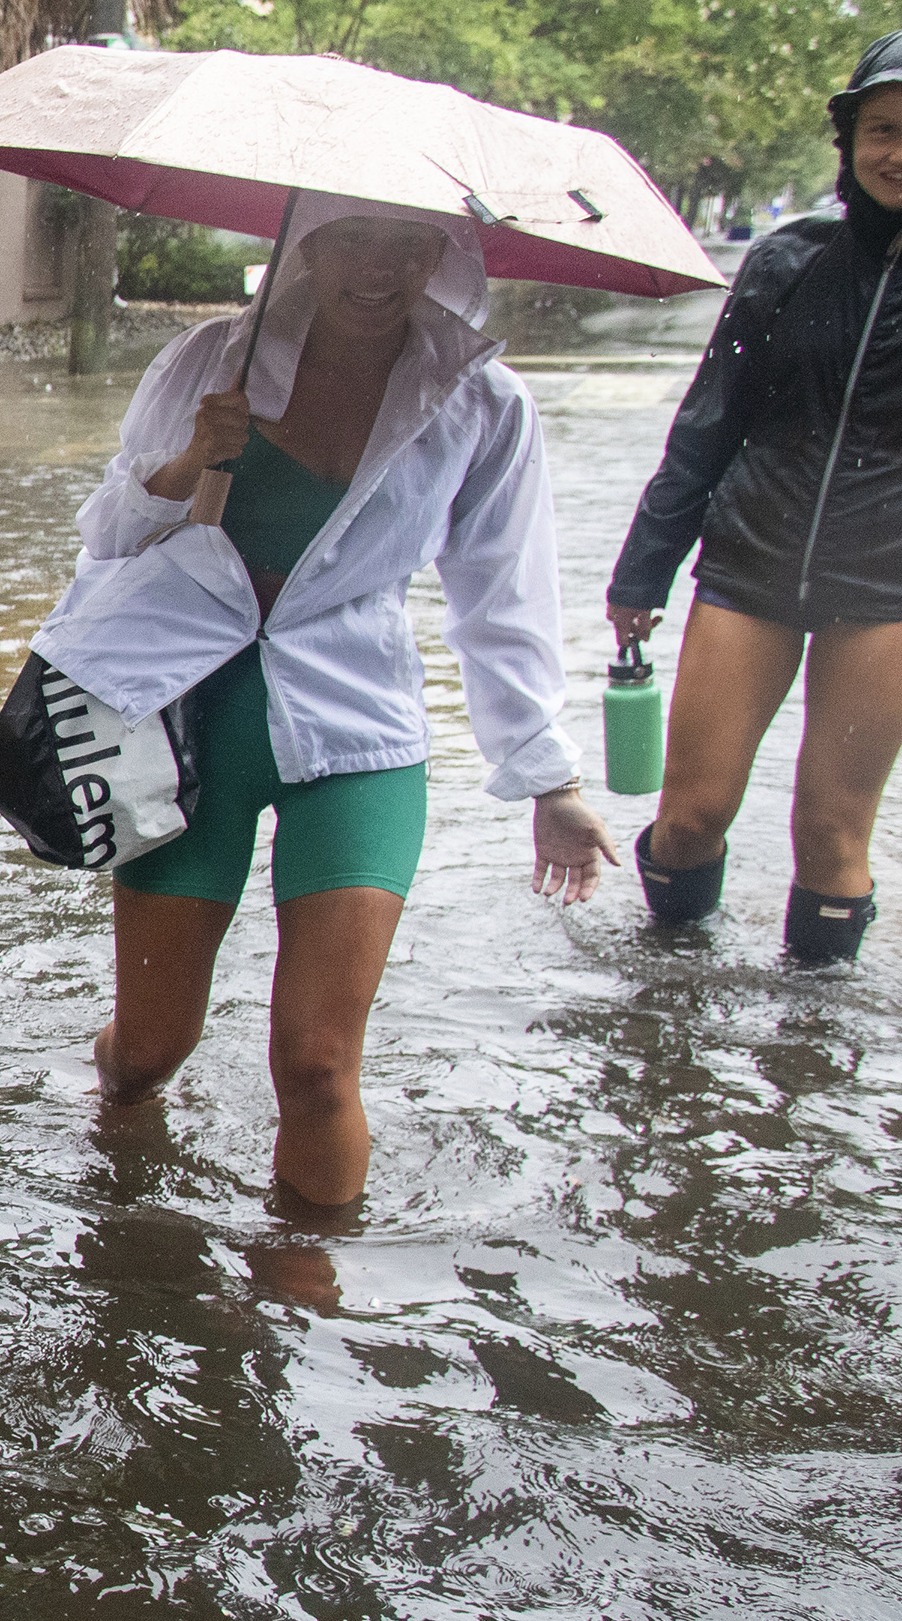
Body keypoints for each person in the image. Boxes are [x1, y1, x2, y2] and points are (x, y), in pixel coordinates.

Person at [46, 200, 615, 1210]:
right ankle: (113, 1142)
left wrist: (548, 777)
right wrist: (187, 465)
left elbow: (503, 591)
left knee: (316, 1064)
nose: (378, 267)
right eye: (353, 237)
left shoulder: (480, 401)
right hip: (190, 726)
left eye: (408, 243)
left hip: (358, 731)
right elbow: (108, 536)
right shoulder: (210, 360)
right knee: (149, 1050)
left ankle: (304, 1310)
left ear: (440, 255)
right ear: (309, 243)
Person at [605, 26, 902, 963]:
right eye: (881, 129)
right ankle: (661, 993)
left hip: (894, 577)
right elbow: (708, 422)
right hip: (750, 559)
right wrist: (644, 571)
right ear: (849, 140)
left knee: (831, 829)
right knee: (692, 813)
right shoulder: (790, 259)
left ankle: (814, 1045)